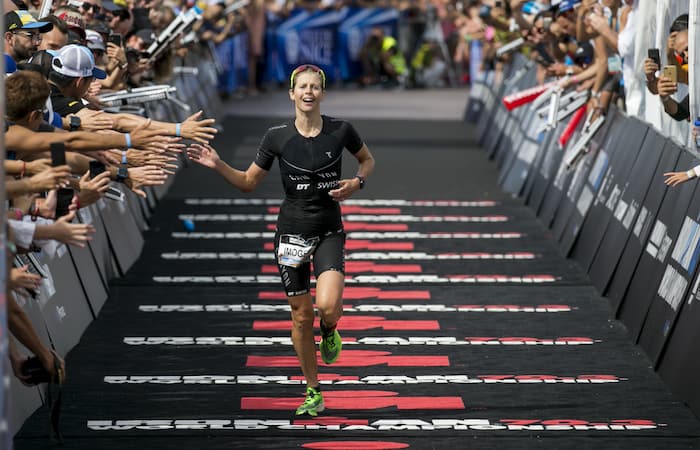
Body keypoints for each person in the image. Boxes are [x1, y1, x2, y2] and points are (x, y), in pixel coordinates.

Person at [187, 64, 376, 417]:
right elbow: (247, 182)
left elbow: (367, 160)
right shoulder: (276, 136)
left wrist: (357, 182)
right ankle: (313, 389)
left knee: (328, 306)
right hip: (290, 234)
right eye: (301, 87)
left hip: (328, 230)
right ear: (291, 93)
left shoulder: (341, 130)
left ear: (322, 93)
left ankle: (331, 329)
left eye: (314, 87)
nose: (308, 92)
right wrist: (217, 164)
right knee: (301, 316)